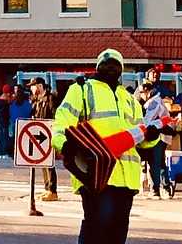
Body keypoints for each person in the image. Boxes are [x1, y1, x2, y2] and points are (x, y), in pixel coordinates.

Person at [53, 49, 162, 244]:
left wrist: (152, 136)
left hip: (126, 179)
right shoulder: (82, 90)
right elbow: (61, 122)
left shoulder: (130, 99)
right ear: (98, 67)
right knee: (97, 228)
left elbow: (140, 137)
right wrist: (64, 145)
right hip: (95, 173)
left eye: (115, 65)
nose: (111, 69)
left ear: (121, 70)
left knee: (117, 232)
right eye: (106, 64)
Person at [30, 77, 59, 202]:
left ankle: (53, 190)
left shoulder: (50, 98)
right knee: (42, 161)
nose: (32, 88)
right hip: (39, 132)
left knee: (49, 163)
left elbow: (54, 114)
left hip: (48, 132)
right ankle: (47, 188)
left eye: (33, 86)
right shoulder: (36, 99)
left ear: (40, 85)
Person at [141, 81, 171, 198]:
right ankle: (165, 186)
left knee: (155, 163)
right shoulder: (155, 101)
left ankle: (156, 189)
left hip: (158, 136)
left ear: (147, 92)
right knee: (159, 162)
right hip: (161, 135)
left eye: (142, 93)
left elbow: (147, 120)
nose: (141, 96)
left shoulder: (154, 102)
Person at [0, 85, 12, 157]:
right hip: (5, 121)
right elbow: (7, 113)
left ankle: (1, 153)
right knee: (5, 137)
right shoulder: (6, 102)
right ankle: (5, 153)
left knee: (1, 138)